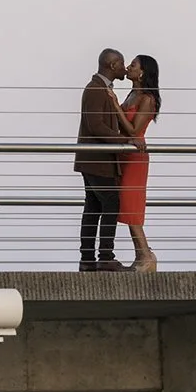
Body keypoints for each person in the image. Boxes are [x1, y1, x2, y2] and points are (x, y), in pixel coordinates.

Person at [73, 48, 128, 272]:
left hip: (94, 160)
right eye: (122, 64)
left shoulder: (100, 88)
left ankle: (87, 259)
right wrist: (122, 141)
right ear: (112, 65)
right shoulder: (96, 90)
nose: (124, 68)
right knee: (110, 203)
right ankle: (105, 256)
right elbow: (96, 125)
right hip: (97, 160)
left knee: (93, 207)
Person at [109, 54, 162, 272]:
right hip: (125, 153)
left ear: (142, 72)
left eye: (133, 65)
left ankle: (146, 255)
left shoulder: (147, 98)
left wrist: (114, 104)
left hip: (136, 155)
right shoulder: (133, 94)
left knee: (131, 203)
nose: (129, 68)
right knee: (125, 203)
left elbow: (133, 130)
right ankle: (142, 254)